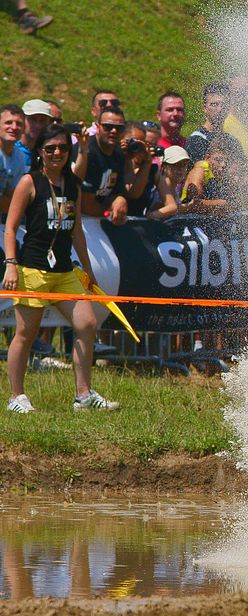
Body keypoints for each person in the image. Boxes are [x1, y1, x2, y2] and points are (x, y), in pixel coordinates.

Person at [3, 123, 119, 413]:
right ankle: (16, 397)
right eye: (50, 148)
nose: (57, 153)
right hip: (33, 269)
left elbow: (76, 230)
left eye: (62, 148)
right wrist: (11, 265)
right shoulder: (30, 182)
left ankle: (83, 395)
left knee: (87, 324)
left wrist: (89, 271)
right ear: (40, 152)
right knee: (26, 334)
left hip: (65, 271)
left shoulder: (72, 185)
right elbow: (11, 227)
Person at [78, 106, 132, 225]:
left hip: (97, 219)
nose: (114, 131)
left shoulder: (118, 153)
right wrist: (110, 213)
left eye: (119, 128)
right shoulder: (88, 153)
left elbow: (119, 191)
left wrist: (120, 199)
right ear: (97, 127)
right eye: (108, 127)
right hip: (78, 220)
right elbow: (86, 206)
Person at [180, 137, 246, 216]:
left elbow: (235, 203)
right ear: (207, 158)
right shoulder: (199, 172)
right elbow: (194, 204)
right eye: (218, 160)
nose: (223, 165)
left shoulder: (225, 175)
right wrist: (218, 203)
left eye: (227, 161)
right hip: (186, 219)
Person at [186, 83, 244, 163]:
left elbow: (243, 171)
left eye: (224, 104)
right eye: (214, 104)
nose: (220, 109)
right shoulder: (196, 141)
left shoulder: (233, 141)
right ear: (205, 108)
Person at [120, 122, 159, 217]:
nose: (136, 146)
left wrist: (147, 161)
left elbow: (134, 193)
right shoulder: (113, 157)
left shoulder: (150, 168)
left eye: (141, 143)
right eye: (132, 141)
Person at [146, 146, 192, 221]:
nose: (180, 169)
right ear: (164, 166)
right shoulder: (159, 191)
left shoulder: (174, 189)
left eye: (184, 165)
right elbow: (156, 210)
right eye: (175, 165)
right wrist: (189, 207)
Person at [0, 104, 29, 215]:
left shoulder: (19, 157)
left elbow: (12, 199)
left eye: (19, 124)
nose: (14, 127)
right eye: (8, 122)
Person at [16, 99, 51, 165]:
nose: (38, 126)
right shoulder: (10, 148)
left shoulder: (50, 152)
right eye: (32, 119)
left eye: (42, 120)